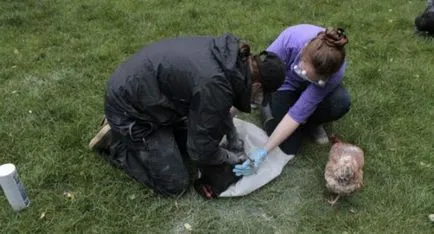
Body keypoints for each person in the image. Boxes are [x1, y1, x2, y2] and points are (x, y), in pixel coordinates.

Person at [88, 33, 286, 197]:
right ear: (257, 85)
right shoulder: (215, 85)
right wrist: (232, 158)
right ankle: (116, 142)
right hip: (130, 111)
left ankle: (132, 132)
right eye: (260, 95)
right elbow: (200, 150)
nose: (257, 99)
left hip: (147, 95)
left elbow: (219, 108)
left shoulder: (231, 58)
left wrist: (233, 139)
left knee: (202, 137)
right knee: (175, 184)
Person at [233, 24, 351, 176]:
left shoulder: (335, 70)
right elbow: (258, 76)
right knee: (288, 147)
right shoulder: (291, 39)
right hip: (283, 85)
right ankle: (266, 101)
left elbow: (298, 112)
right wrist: (229, 112)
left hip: (312, 94)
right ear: (302, 51)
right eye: (303, 72)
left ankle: (312, 122)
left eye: (316, 79)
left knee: (340, 102)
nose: (307, 78)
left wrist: (263, 151)